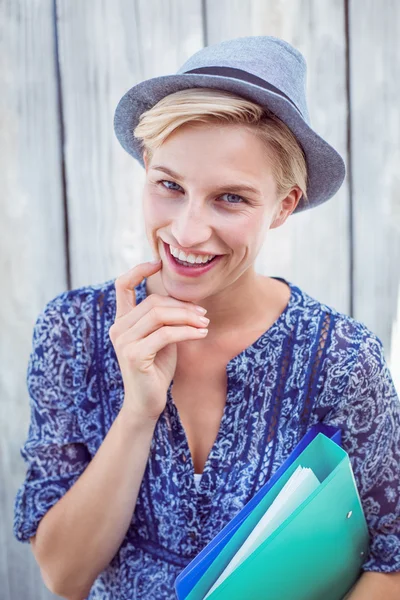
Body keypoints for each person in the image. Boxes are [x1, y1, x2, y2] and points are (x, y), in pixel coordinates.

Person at [13, 36, 400, 600]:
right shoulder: (72, 330)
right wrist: (138, 410)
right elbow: (63, 576)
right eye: (170, 185)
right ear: (146, 166)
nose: (188, 232)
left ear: (285, 204)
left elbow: (391, 557)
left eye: (231, 199)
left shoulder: (342, 358)